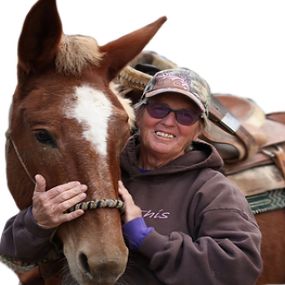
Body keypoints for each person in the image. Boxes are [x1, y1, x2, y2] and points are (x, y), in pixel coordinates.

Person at [0, 68, 262, 284]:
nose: (169, 122)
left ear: (198, 130)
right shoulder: (100, 167)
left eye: (185, 115)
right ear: (139, 113)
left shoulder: (212, 189)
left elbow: (240, 268)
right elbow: (12, 252)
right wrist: (37, 222)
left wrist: (147, 239)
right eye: (159, 109)